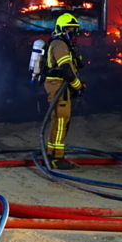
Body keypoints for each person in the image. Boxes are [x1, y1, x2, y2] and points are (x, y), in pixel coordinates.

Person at [42, 13, 85, 169]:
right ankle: (56, 158)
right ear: (61, 29)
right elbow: (66, 69)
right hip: (58, 85)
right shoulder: (59, 45)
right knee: (61, 121)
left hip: (61, 85)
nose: (72, 32)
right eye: (69, 29)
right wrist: (78, 86)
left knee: (59, 120)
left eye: (73, 29)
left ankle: (51, 153)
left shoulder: (62, 44)